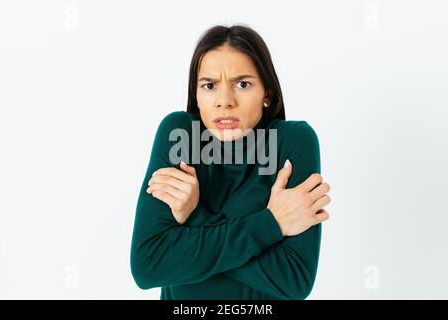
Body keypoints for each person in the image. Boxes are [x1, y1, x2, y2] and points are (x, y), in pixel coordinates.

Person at [130, 24, 331, 300]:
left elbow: (294, 280)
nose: (225, 101)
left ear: (267, 94)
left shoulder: (293, 141)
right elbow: (148, 267)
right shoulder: (180, 135)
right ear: (197, 95)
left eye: (243, 84)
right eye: (209, 85)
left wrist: (193, 217)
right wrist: (271, 222)